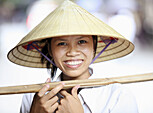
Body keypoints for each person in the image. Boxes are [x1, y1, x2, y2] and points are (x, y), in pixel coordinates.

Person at [7, 0, 138, 113]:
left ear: (94, 46)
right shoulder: (34, 97)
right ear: (50, 50)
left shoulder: (118, 97)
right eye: (62, 43)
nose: (72, 52)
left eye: (82, 42)